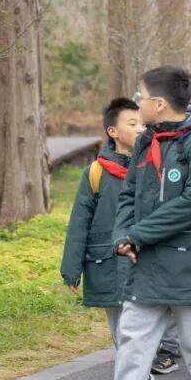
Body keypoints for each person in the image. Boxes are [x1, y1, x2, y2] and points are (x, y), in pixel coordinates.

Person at [79, 65, 191, 380]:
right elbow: (129, 196)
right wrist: (122, 235)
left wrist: (140, 234)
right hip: (146, 263)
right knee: (133, 343)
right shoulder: (147, 141)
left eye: (141, 97)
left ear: (159, 103)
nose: (138, 103)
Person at [61, 98, 146, 365]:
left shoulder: (151, 166)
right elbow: (80, 222)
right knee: (119, 331)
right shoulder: (96, 172)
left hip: (144, 261)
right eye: (132, 124)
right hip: (107, 264)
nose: (140, 129)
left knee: (141, 329)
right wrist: (71, 269)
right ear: (113, 131)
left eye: (142, 123)